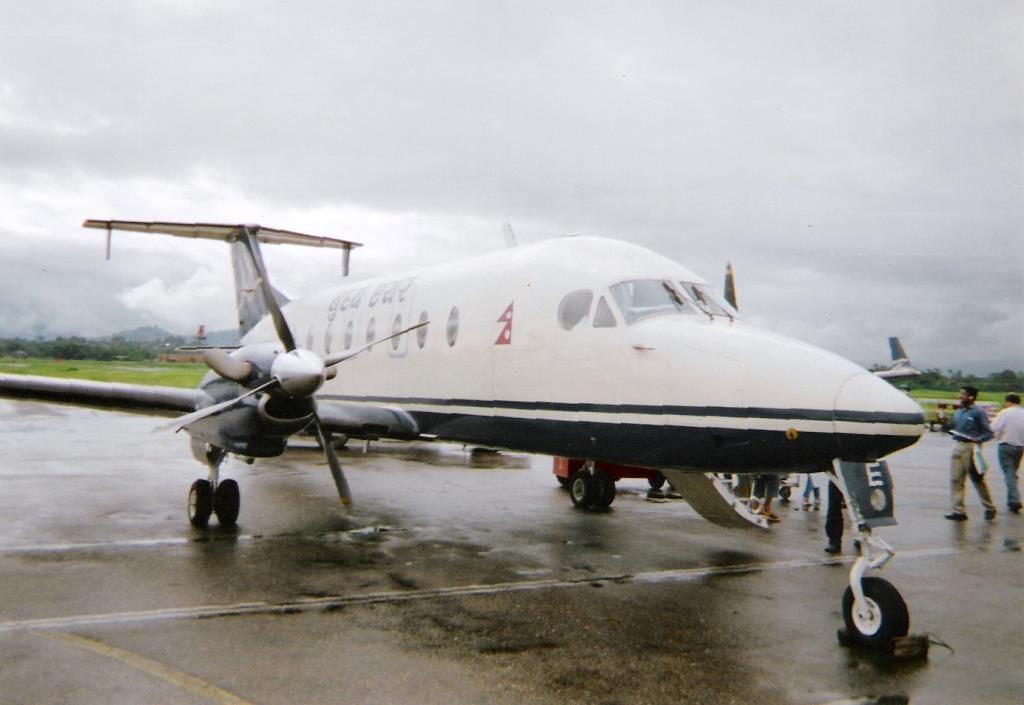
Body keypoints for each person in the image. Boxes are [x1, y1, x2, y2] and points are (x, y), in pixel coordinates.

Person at [946, 385, 996, 521]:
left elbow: (989, 433)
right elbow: (952, 425)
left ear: (971, 397)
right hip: (958, 444)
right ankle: (958, 510)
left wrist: (978, 440)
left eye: (962, 394)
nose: (959, 396)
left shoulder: (978, 412)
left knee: (976, 479)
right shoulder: (959, 412)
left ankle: (989, 507)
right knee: (955, 479)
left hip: (971, 447)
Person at [992, 393, 1024, 514]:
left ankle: (1015, 500)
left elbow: (994, 427)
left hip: (1005, 445)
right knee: (1013, 473)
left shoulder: (1005, 412)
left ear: (1008, 401)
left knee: (1008, 473)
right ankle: (1011, 499)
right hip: (1020, 447)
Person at [824, 476, 844, 554]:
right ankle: (834, 541)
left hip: (855, 471)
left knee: (860, 506)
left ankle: (863, 536)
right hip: (836, 474)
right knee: (833, 506)